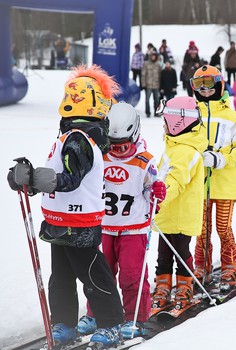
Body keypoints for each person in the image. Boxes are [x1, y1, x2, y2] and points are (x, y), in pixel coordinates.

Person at [8, 65, 124, 348]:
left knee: (92, 273)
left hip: (80, 221)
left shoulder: (80, 139)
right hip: (58, 219)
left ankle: (111, 324)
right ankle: (64, 323)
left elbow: (70, 179)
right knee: (60, 277)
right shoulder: (68, 137)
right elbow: (57, 176)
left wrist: (41, 179)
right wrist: (28, 181)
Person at [76, 102, 166, 339]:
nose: (118, 150)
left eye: (124, 145)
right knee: (99, 273)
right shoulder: (100, 156)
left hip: (133, 228)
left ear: (135, 135)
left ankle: (135, 316)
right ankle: (96, 313)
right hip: (103, 226)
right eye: (113, 145)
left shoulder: (144, 161)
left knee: (131, 274)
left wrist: (156, 191)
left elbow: (149, 189)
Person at [190, 65, 236, 290]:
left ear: (220, 85)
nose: (205, 90)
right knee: (201, 229)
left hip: (225, 183)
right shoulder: (192, 114)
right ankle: (202, 267)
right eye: (200, 85)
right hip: (200, 183)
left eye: (210, 84)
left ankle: (229, 267)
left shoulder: (232, 116)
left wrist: (221, 159)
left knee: (223, 228)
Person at [152, 96, 208, 311]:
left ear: (178, 123)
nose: (163, 126)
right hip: (166, 213)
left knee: (181, 254)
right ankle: (163, 286)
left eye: (165, 121)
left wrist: (160, 196)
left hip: (181, 214)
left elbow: (176, 180)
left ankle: (185, 287)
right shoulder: (173, 148)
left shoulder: (187, 152)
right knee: (163, 255)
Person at [141, 52, 162, 118]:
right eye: (152, 56)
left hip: (156, 85)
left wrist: (161, 84)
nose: (153, 57)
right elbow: (143, 74)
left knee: (156, 100)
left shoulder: (158, 64)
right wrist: (143, 84)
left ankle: (156, 112)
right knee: (147, 100)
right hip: (148, 85)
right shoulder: (146, 63)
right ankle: (148, 112)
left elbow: (160, 75)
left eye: (154, 56)